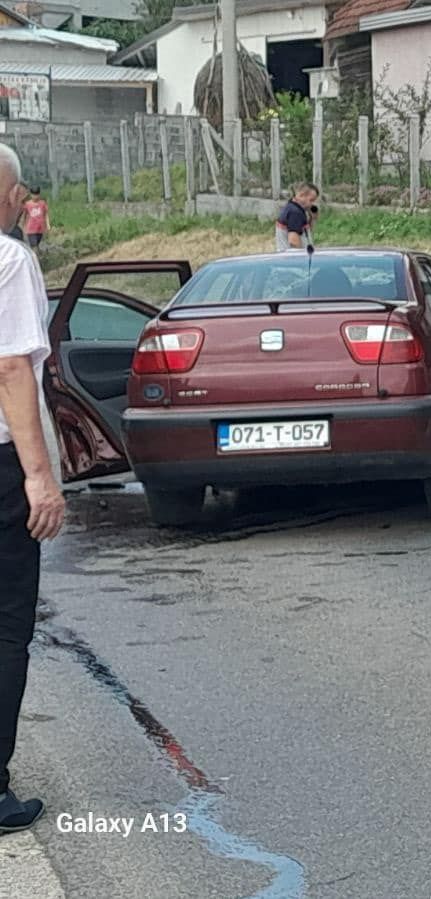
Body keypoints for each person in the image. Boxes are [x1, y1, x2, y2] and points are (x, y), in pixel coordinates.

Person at [0, 143, 64, 836]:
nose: (22, 201)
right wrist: (38, 474)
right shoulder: (9, 260)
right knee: (5, 625)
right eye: (16, 191)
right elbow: (11, 369)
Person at [275, 183, 318, 251]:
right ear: (301, 195)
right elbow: (293, 241)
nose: (312, 204)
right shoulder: (295, 213)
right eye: (311, 200)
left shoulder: (292, 207)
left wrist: (312, 219)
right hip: (292, 259)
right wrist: (302, 257)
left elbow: (304, 234)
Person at [20, 187, 46, 251]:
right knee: (34, 246)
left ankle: (34, 257)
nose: (35, 196)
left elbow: (45, 215)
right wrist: (22, 226)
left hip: (40, 229)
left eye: (37, 194)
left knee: (36, 244)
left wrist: (46, 225)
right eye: (34, 194)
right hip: (31, 229)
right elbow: (24, 215)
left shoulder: (42, 203)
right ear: (31, 195)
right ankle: (35, 258)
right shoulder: (27, 204)